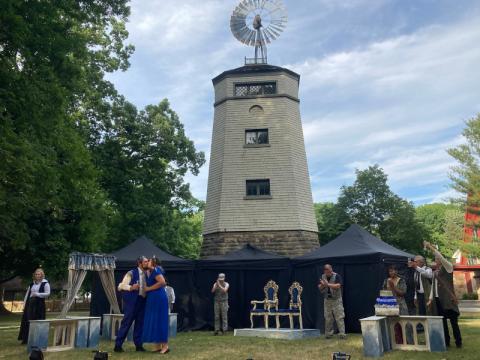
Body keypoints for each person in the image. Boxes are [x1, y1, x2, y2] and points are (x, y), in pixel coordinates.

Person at [425, 241, 462, 348]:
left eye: (437, 259)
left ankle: (458, 342)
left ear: (441, 260)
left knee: (454, 323)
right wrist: (431, 299)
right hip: (438, 300)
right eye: (435, 259)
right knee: (443, 322)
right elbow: (433, 287)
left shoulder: (448, 267)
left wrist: (430, 247)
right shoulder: (435, 272)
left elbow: (441, 257)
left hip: (448, 300)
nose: (436, 261)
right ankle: (446, 342)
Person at [114, 256, 149, 353]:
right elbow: (120, 286)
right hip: (132, 303)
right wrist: (131, 287)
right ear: (139, 263)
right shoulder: (131, 273)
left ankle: (139, 346)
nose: (147, 263)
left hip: (143, 302)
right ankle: (118, 346)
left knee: (140, 324)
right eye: (145, 261)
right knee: (126, 323)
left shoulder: (148, 274)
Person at [142, 257, 170, 353]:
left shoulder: (155, 270)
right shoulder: (147, 272)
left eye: (148, 261)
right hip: (152, 299)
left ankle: (165, 346)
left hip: (159, 298)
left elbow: (162, 283)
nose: (146, 262)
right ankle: (158, 345)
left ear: (153, 263)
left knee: (160, 320)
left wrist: (148, 289)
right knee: (154, 320)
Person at [18, 268, 50, 344]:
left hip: (39, 305)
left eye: (39, 274)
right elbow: (27, 295)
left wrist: (37, 294)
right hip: (30, 304)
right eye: (36, 274)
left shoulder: (45, 283)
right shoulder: (32, 284)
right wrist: (24, 304)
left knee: (38, 321)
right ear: (34, 275)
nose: (37, 275)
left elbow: (48, 293)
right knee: (28, 320)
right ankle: (26, 339)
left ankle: (37, 339)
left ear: (42, 275)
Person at [318, 264, 346, 339]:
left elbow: (338, 286)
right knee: (328, 317)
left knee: (339, 317)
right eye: (327, 270)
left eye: (330, 269)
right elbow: (320, 287)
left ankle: (342, 334)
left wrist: (327, 284)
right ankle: (328, 334)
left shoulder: (337, 276)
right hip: (327, 300)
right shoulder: (322, 277)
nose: (329, 271)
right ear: (325, 271)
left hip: (336, 299)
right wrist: (323, 285)